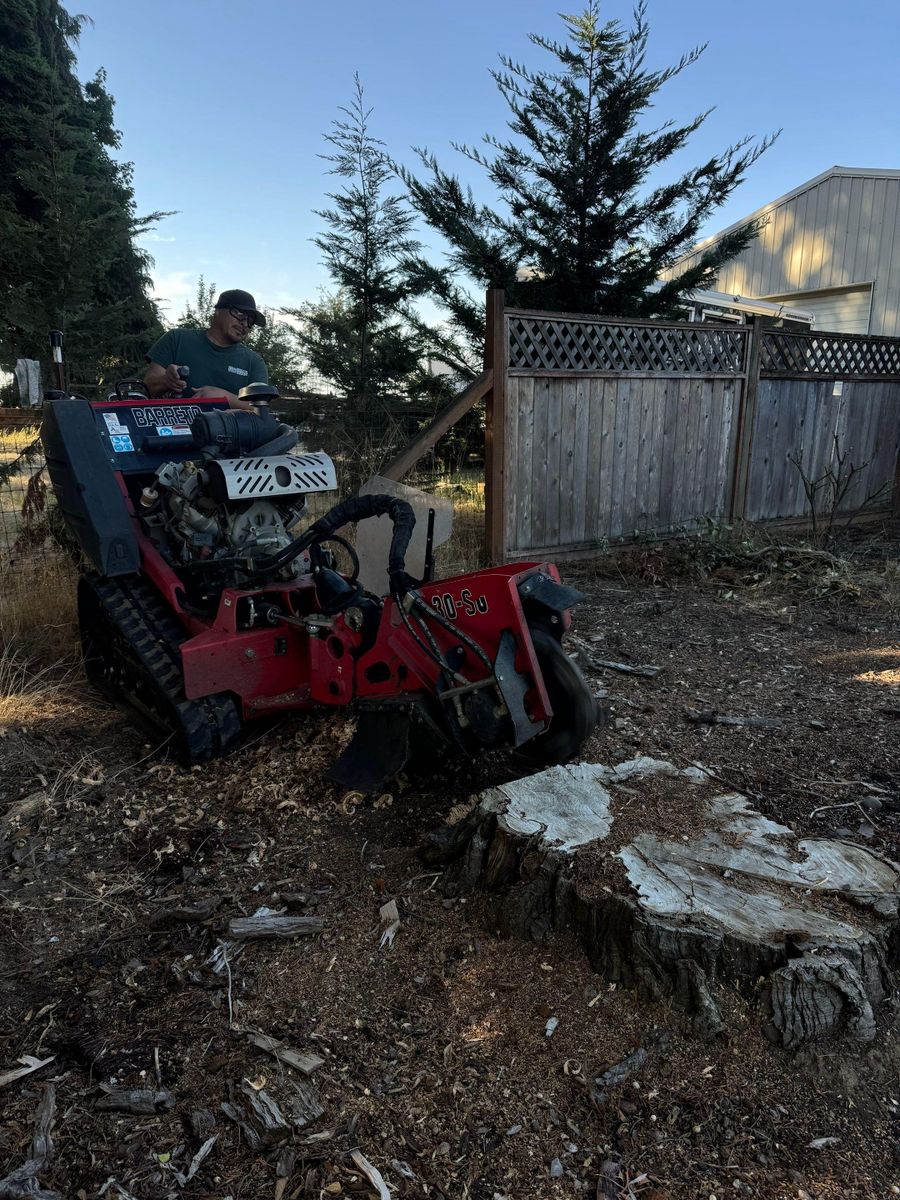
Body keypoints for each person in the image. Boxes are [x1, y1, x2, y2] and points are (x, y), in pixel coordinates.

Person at [144, 289, 269, 410]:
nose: (245, 324)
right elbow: (147, 387)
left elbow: (260, 410)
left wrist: (224, 398)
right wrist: (167, 380)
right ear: (218, 311)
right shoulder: (177, 339)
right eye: (239, 314)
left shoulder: (254, 362)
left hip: (231, 431)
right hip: (172, 429)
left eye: (250, 320)